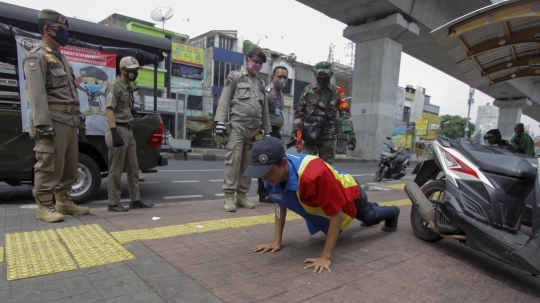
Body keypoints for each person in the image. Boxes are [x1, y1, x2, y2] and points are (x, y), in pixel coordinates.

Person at [245, 137, 400, 273]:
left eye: (267, 172)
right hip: (329, 189)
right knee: (367, 215)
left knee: (369, 216)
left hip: (347, 190)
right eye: (260, 173)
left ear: (283, 163)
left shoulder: (312, 176)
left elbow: (337, 214)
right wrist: (276, 241)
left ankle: (393, 212)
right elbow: (280, 203)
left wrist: (325, 256)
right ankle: (371, 206)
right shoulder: (270, 178)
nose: (264, 179)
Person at [24, 9, 89, 222]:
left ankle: (64, 202)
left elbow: (72, 92)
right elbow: (37, 94)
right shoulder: (37, 56)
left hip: (69, 120)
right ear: (47, 28)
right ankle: (44, 207)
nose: (64, 33)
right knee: (49, 163)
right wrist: (42, 125)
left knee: (70, 166)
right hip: (52, 118)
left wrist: (79, 120)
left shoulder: (63, 60)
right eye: (60, 29)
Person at [214, 45, 271, 212]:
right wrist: (219, 121)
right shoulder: (235, 77)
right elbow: (224, 98)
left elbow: (264, 109)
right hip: (237, 127)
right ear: (247, 60)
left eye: (260, 63)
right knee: (233, 161)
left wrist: (267, 130)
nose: (257, 65)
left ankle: (242, 195)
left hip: (254, 131)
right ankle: (229, 197)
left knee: (248, 164)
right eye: (255, 61)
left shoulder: (261, 84)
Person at [105, 56, 154, 212]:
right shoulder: (114, 87)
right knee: (116, 169)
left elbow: (126, 107)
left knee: (134, 168)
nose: (134, 73)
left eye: (136, 71)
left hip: (128, 130)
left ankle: (135, 200)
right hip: (117, 129)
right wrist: (114, 132)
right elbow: (109, 110)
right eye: (131, 71)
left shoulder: (129, 87)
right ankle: (113, 203)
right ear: (122, 70)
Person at [293, 61, 354, 165]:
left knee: (327, 170)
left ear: (331, 74)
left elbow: (345, 113)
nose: (322, 77)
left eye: (325, 74)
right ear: (315, 74)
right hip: (309, 135)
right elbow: (300, 113)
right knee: (305, 166)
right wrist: (297, 132)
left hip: (328, 137)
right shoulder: (308, 90)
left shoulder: (338, 92)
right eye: (320, 74)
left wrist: (351, 135)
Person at [257, 66, 289, 203]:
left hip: (275, 132)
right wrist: (265, 131)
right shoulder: (269, 92)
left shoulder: (279, 93)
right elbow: (261, 111)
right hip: (268, 132)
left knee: (274, 162)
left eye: (285, 77)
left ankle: (270, 192)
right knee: (265, 162)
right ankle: (263, 193)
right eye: (279, 76)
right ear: (273, 78)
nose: (282, 79)